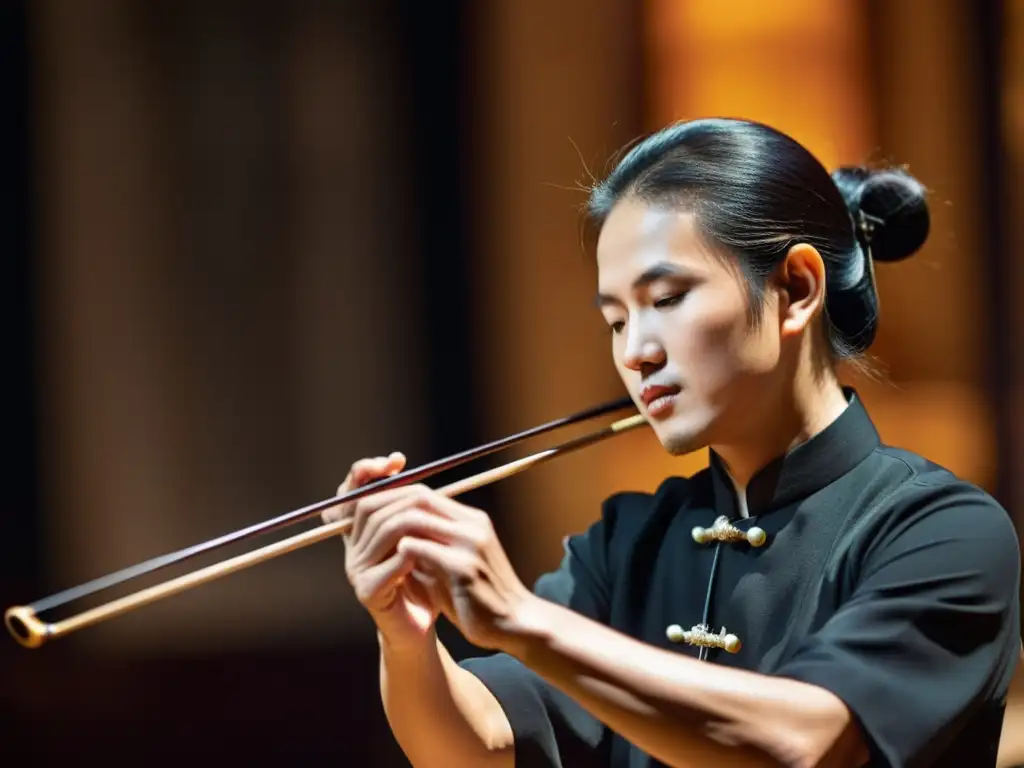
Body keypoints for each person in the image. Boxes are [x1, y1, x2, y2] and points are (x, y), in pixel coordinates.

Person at [324, 117, 1022, 767]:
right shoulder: (630, 538)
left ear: (797, 286)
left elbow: (805, 743)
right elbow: (479, 743)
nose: (635, 352)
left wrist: (520, 618)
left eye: (664, 299)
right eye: (615, 320)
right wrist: (406, 634)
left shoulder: (944, 532)